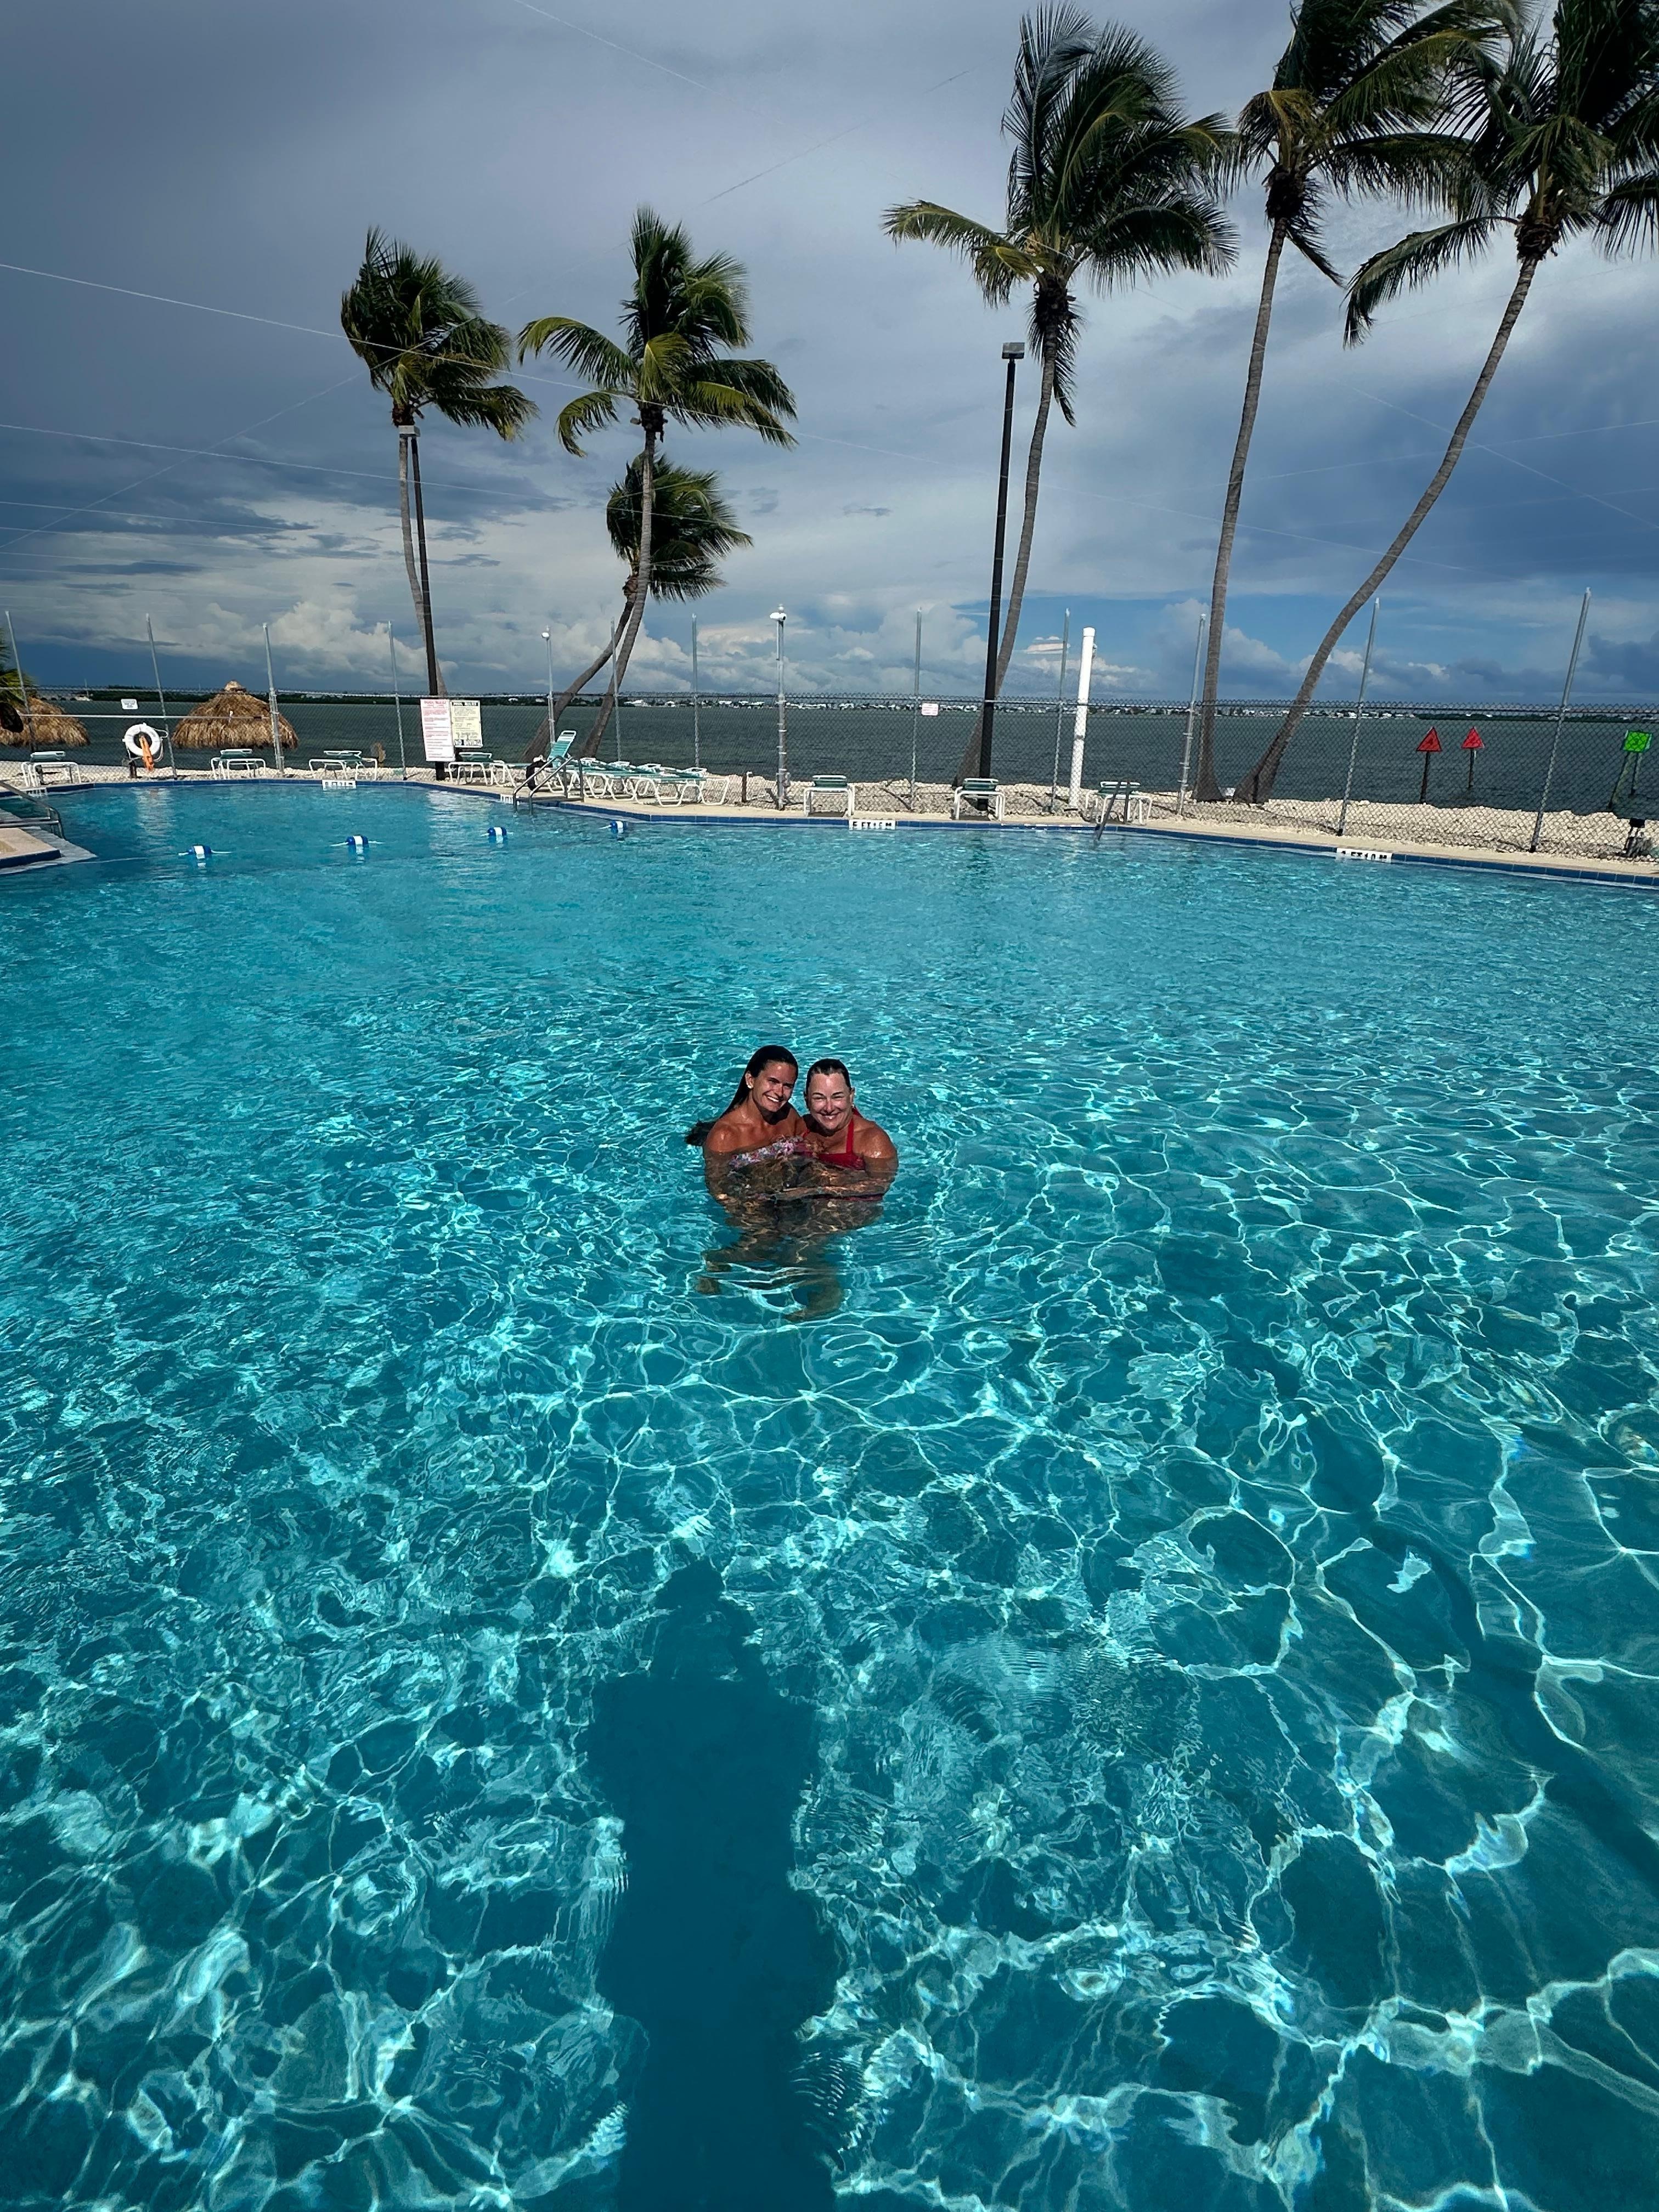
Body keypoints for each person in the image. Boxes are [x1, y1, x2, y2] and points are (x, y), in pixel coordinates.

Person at [795, 1059, 897, 1189]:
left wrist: (817, 1188)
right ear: (806, 1100)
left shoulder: (872, 1141)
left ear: (851, 1096)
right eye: (819, 1098)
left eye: (837, 1097)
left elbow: (878, 1188)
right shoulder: (802, 1128)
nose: (829, 1108)